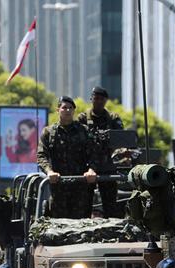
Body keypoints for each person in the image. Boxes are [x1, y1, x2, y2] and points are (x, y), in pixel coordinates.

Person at [37, 96, 97, 218]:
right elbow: (41, 155)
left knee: (81, 225)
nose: (68, 110)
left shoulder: (84, 131)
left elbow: (93, 153)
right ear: (58, 110)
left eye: (71, 108)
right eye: (64, 108)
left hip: (80, 186)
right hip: (58, 186)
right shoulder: (48, 132)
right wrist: (49, 171)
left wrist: (91, 169)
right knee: (58, 225)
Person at [78, 86, 124, 218]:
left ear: (106, 101)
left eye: (101, 99)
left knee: (110, 205)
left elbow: (121, 138)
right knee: (84, 204)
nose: (98, 101)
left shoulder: (113, 118)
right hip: (87, 166)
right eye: (96, 98)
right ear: (91, 99)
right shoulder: (83, 118)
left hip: (107, 164)